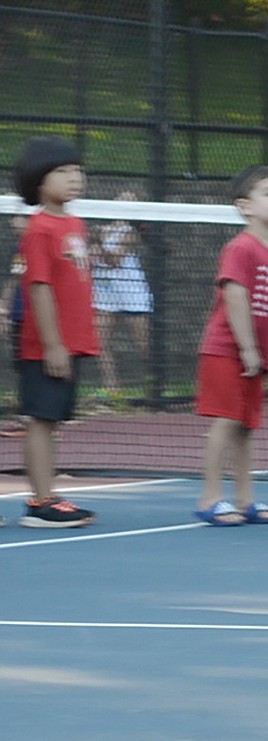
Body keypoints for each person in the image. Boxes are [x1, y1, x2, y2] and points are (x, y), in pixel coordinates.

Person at [194, 165, 268, 526]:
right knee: (226, 422)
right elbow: (235, 296)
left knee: (247, 428)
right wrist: (248, 348)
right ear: (245, 206)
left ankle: (245, 498)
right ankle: (210, 498)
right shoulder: (241, 248)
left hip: (256, 359)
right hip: (225, 351)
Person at [12, 137, 99, 528]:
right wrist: (53, 345)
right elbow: (39, 287)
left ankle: (48, 494)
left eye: (76, 170)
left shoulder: (73, 223)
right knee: (40, 420)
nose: (73, 177)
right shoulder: (40, 230)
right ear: (38, 182)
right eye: (62, 172)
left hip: (72, 342)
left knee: (53, 422)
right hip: (47, 347)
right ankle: (39, 502)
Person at [92, 190, 153, 399]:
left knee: (143, 343)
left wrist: (98, 243)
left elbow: (115, 260)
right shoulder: (102, 229)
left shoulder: (131, 232)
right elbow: (91, 258)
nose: (123, 198)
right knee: (100, 341)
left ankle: (154, 385)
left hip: (132, 293)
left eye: (130, 198)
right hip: (106, 293)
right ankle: (112, 390)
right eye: (121, 196)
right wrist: (93, 244)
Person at [0, 210, 29, 437]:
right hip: (19, 315)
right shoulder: (19, 249)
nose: (13, 221)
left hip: (35, 316)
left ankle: (37, 419)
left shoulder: (36, 242)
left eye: (17, 216)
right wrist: (6, 312)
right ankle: (27, 416)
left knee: (33, 366)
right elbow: (14, 280)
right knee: (21, 364)